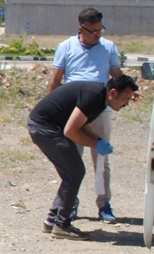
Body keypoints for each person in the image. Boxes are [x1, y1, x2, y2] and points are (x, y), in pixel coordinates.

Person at [28, 75, 140, 240]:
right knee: (74, 172)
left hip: (50, 127)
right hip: (45, 127)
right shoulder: (94, 96)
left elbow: (81, 124)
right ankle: (62, 225)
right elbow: (71, 131)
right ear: (113, 92)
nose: (126, 104)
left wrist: (98, 139)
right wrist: (95, 144)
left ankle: (53, 220)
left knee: (72, 173)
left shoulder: (100, 97)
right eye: (125, 99)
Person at [47, 8, 124, 223]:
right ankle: (71, 205)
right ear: (81, 28)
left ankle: (104, 203)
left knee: (101, 160)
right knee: (72, 161)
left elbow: (116, 76)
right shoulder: (65, 47)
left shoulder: (108, 47)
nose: (98, 34)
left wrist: (129, 89)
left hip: (100, 110)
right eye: (94, 31)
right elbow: (55, 80)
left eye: (101, 29)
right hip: (74, 113)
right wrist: (54, 110)